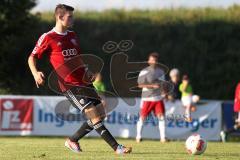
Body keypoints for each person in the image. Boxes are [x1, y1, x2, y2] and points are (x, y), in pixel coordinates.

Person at [28, 4, 131, 154]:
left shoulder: (72, 35)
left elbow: (77, 58)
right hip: (69, 85)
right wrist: (35, 73)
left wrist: (87, 70)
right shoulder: (48, 37)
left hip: (84, 81)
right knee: (93, 114)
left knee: (101, 113)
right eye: (70, 17)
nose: (72, 19)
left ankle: (72, 140)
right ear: (60, 17)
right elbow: (32, 57)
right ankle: (117, 148)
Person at [136, 52, 168, 143]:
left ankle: (163, 138)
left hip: (158, 99)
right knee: (142, 118)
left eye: (155, 60)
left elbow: (162, 84)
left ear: (157, 61)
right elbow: (140, 85)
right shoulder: (144, 71)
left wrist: (164, 92)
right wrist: (152, 86)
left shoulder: (161, 71)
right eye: (152, 60)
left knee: (161, 117)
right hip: (147, 98)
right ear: (148, 61)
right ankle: (138, 136)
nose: (153, 61)